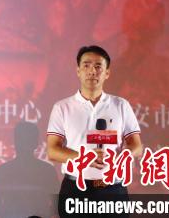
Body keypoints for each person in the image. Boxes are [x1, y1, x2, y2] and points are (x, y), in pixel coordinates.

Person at [47, 45, 143, 217]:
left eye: (98, 66)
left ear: (107, 73)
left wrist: (120, 157)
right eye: (86, 65)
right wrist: (85, 158)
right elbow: (52, 151)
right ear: (78, 71)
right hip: (75, 189)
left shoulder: (121, 105)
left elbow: (136, 146)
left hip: (113, 189)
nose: (92, 71)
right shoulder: (62, 107)